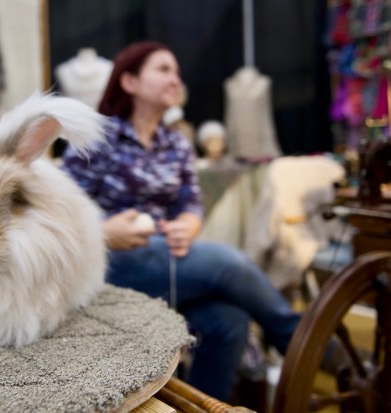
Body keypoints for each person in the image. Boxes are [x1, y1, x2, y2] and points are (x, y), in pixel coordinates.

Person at [61, 41, 302, 401]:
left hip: (166, 265)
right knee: (227, 263)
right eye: (163, 70)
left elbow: (191, 200)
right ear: (129, 82)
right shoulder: (95, 139)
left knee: (228, 323)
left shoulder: (177, 143)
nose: (176, 79)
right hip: (110, 262)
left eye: (176, 71)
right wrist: (104, 232)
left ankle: (200, 407)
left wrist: (189, 223)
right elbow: (60, 212)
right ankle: (303, 342)